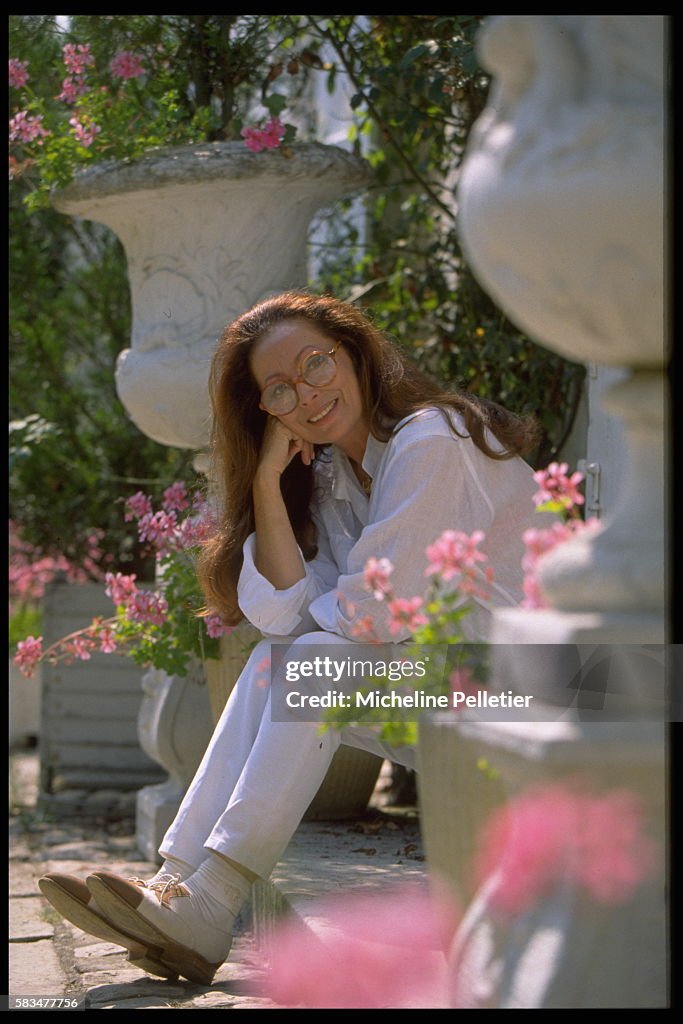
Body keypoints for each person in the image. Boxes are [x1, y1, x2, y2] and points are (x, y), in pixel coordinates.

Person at [39, 290, 545, 985]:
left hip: (573, 681)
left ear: (355, 353)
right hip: (470, 686)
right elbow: (282, 617)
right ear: (266, 413)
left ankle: (207, 898)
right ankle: (179, 883)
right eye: (279, 389)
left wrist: (320, 629)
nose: (306, 393)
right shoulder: (337, 475)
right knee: (286, 659)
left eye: (315, 364)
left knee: (310, 658)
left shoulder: (430, 440)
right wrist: (269, 483)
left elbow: (374, 612)